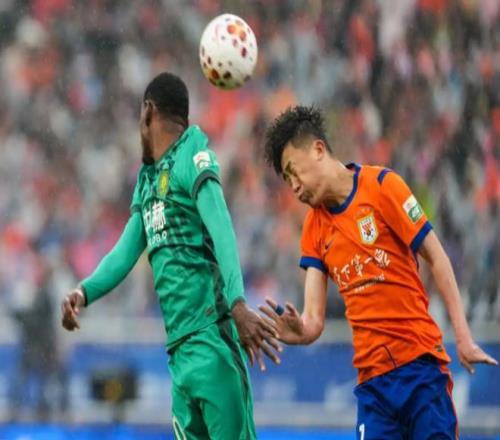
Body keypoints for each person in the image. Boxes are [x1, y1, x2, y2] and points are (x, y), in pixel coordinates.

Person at [61, 72, 281, 440]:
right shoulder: (148, 180)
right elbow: (124, 253)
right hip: (179, 357)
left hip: (212, 341)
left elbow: (222, 228)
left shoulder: (193, 155)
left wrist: (238, 302)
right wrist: (83, 292)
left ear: (148, 111)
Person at [259, 105, 498, 439]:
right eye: (287, 181)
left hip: (421, 370)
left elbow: (438, 258)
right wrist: (300, 331)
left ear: (318, 150)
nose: (294, 187)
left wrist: (463, 337)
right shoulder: (313, 228)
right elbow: (313, 319)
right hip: (373, 389)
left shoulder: (384, 186)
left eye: (293, 171)